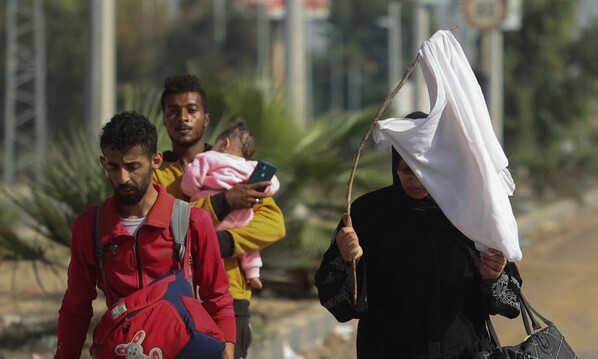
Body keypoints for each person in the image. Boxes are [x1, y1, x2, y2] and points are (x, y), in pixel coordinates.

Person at [315, 112, 522, 358]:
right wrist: (351, 262)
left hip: (462, 351)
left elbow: (511, 303)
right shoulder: (367, 213)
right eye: (407, 171)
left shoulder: (470, 213)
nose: (416, 180)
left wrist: (492, 277)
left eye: (425, 171)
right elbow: (335, 300)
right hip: (386, 350)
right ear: (396, 167)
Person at [54, 111, 236, 358]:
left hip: (183, 350)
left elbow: (217, 297)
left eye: (132, 166)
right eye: (113, 167)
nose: (122, 177)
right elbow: (77, 305)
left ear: (156, 160)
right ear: (102, 163)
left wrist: (227, 348)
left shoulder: (192, 221)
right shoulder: (90, 226)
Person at [152, 74, 286, 359]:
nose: (182, 118)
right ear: (164, 119)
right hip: (173, 300)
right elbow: (167, 224)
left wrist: (225, 242)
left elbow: (273, 223)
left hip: (230, 296)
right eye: (173, 111)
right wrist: (222, 203)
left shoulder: (237, 168)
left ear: (206, 119)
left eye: (191, 110)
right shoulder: (158, 173)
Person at [181, 122, 282, 290]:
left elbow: (191, 182)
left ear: (224, 144)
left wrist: (193, 192)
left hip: (214, 213)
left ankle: (213, 271)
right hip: (242, 216)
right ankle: (253, 272)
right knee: (248, 243)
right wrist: (261, 189)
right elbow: (273, 185)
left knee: (210, 237)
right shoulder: (251, 166)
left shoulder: (207, 157)